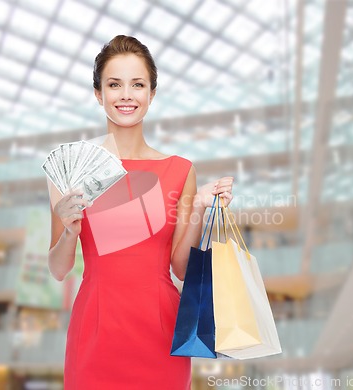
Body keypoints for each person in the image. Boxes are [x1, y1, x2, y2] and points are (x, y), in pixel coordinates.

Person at [48, 35, 234, 390]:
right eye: (114, 84)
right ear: (98, 94)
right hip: (95, 330)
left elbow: (180, 267)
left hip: (159, 331)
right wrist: (70, 230)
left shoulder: (181, 170)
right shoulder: (70, 171)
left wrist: (197, 207)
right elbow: (58, 270)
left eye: (138, 84)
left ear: (151, 94)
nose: (126, 95)